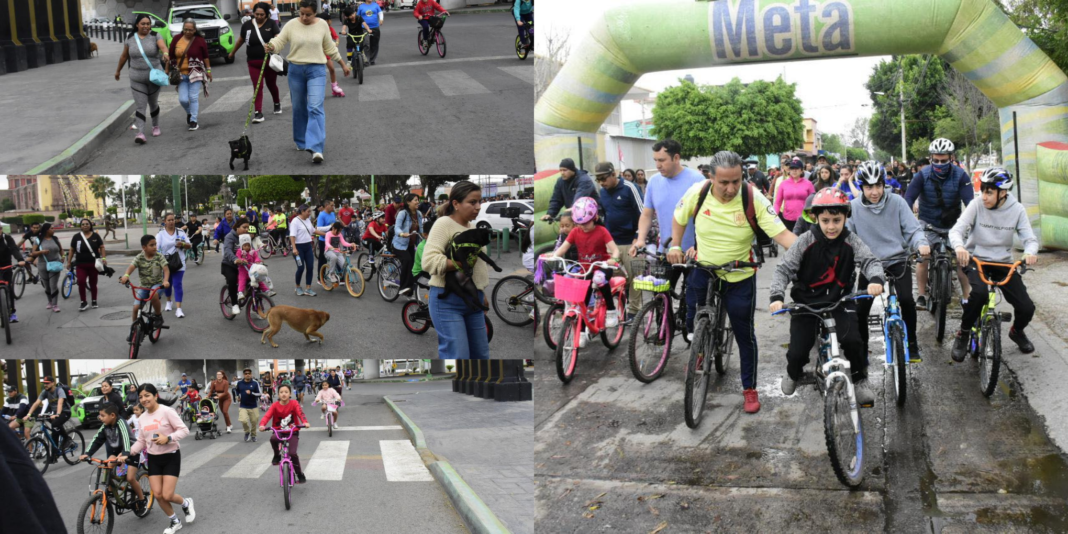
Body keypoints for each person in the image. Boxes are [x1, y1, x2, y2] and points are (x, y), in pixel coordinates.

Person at [670, 151, 797, 414]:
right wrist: (674, 245)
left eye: (736, 182)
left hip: (740, 274)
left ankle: (749, 388)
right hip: (704, 267)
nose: (730, 189)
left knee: (744, 334)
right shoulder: (698, 192)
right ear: (711, 177)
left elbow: (782, 234)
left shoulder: (753, 197)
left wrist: (809, 254)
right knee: (692, 314)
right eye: (724, 183)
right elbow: (679, 218)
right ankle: (700, 347)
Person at [769, 188, 883, 408]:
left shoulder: (852, 241)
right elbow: (783, 269)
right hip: (806, 303)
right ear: (816, 218)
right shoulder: (804, 240)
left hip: (840, 300)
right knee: (797, 351)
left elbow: (870, 260)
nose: (832, 226)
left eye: (837, 220)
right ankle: (793, 373)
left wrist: (875, 279)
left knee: (853, 341)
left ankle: (860, 380)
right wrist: (776, 296)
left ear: (845, 218)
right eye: (826, 220)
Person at [949, 168, 1039, 360]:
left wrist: (1030, 253)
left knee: (1026, 307)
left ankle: (1017, 331)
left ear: (1003, 193)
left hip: (1003, 263)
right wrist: (960, 248)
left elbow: (1030, 239)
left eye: (989, 192)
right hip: (975, 260)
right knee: (980, 293)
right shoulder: (976, 205)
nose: (984, 196)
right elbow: (956, 231)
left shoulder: (1017, 210)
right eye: (982, 190)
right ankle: (963, 333)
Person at [847, 161, 930, 361]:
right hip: (869, 263)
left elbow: (913, 229)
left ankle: (912, 342)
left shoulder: (897, 202)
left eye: (878, 185)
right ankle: (862, 350)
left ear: (884, 184)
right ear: (861, 187)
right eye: (869, 187)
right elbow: (848, 236)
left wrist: (921, 244)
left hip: (897, 259)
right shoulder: (853, 207)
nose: (874, 191)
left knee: (907, 301)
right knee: (861, 309)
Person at [264, 0, 350, 165]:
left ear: (315, 13)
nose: (303, 17)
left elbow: (330, 48)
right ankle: (301, 140)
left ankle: (317, 148)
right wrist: (271, 46)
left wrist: (343, 64)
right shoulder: (291, 25)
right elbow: (279, 41)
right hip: (295, 71)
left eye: (308, 14)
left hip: (316, 70)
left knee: (315, 107)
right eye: (301, 13)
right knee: (298, 107)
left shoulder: (322, 25)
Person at [422, 181, 492, 359]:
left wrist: (482, 292)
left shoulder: (472, 227)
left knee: (481, 355)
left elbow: (478, 266)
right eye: (472, 202)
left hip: (474, 300)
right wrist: (462, 263)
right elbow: (429, 261)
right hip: (447, 301)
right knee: (457, 355)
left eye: (479, 201)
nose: (478, 207)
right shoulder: (443, 224)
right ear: (456, 204)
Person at [905, 138, 974, 311]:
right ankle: (921, 295)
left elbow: (971, 204)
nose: (939, 164)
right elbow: (908, 199)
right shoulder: (922, 175)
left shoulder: (961, 175)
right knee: (923, 257)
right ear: (930, 158)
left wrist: (971, 223)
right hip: (928, 224)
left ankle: (967, 297)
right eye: (936, 160)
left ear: (951, 158)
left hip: (954, 226)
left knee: (962, 260)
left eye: (944, 161)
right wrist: (908, 221)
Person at [630, 139, 705, 297]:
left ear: (676, 158)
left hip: (694, 253)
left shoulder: (697, 180)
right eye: (655, 160)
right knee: (660, 300)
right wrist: (640, 239)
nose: (657, 165)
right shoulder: (654, 182)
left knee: (694, 301)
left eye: (662, 160)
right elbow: (647, 214)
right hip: (665, 251)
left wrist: (699, 245)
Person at [118, 383, 194, 534]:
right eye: (141, 397)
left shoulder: (167, 411)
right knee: (158, 494)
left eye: (147, 395)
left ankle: (186, 503)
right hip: (153, 458)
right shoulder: (142, 418)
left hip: (171, 456)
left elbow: (184, 430)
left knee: (167, 495)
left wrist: (168, 438)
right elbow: (141, 441)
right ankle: (175, 521)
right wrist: (127, 453)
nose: (144, 399)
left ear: (155, 396)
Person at [551, 196, 622, 328]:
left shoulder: (602, 231)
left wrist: (614, 259)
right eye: (579, 223)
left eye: (585, 223)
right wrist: (554, 256)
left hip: (603, 267)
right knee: (582, 300)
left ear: (594, 218)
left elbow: (615, 250)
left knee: (599, 277)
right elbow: (564, 247)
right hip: (586, 270)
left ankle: (611, 310)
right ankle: (582, 331)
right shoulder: (575, 232)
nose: (582, 226)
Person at [595, 161, 644, 322]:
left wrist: (638, 238)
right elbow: (603, 213)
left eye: (603, 178)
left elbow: (643, 213)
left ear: (613, 175)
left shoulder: (630, 188)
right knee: (615, 278)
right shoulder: (603, 192)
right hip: (612, 244)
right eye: (598, 180)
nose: (601, 183)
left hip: (631, 241)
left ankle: (634, 311)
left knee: (635, 277)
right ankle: (618, 308)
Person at [79, 404, 147, 513]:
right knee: (107, 466)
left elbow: (126, 438)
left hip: (131, 451)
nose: (100, 418)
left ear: (112, 415)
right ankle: (111, 492)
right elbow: (97, 439)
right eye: (99, 416)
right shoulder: (105, 426)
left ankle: (141, 499)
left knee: (130, 478)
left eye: (102, 415)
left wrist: (125, 454)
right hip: (116, 453)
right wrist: (87, 453)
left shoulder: (121, 423)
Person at [115, 14, 168, 144]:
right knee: (140, 106)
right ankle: (140, 133)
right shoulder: (130, 38)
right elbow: (124, 56)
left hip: (154, 77)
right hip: (136, 78)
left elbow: (163, 47)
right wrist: (118, 71)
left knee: (153, 103)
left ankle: (155, 126)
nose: (146, 26)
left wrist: (165, 53)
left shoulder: (155, 35)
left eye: (148, 24)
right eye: (143, 24)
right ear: (137, 24)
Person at [230, 2, 283, 123]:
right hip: (253, 62)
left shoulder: (271, 24)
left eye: (261, 14)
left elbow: (278, 38)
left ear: (267, 14)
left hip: (269, 61)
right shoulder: (247, 25)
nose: (258, 16)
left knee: (271, 84)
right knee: (257, 86)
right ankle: (258, 112)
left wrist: (273, 45)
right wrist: (232, 53)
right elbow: (240, 40)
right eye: (256, 14)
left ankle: (277, 102)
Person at [119, 235, 170, 340]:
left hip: (157, 285)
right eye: (152, 245)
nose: (155, 247)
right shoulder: (140, 257)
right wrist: (126, 276)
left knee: (153, 295)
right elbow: (131, 267)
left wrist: (165, 281)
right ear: (144, 247)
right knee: (136, 308)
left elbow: (166, 270)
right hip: (144, 287)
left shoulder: (159, 256)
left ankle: (158, 315)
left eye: (155, 244)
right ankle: (134, 330)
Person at [257, 384, 309, 484]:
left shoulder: (294, 403)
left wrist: (305, 422)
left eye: (286, 392)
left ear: (290, 394)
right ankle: (277, 455)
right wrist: (262, 425)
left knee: (292, 454)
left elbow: (300, 413)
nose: (284, 394)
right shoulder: (274, 405)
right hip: (279, 431)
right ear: (278, 394)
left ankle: (299, 474)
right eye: (281, 392)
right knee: (273, 439)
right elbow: (267, 416)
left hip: (292, 431)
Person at [169, 19, 212, 131]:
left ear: (195, 30)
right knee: (183, 99)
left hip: (196, 73)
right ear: (183, 29)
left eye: (190, 30)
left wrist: (208, 71)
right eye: (185, 29)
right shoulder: (176, 39)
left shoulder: (200, 40)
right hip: (181, 75)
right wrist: (167, 70)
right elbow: (171, 56)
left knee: (193, 97)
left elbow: (206, 57)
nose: (187, 32)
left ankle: (193, 121)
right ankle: (189, 113)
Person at [24, 376, 73, 456]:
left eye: (47, 383)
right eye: (44, 383)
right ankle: (54, 455)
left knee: (55, 424)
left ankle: (67, 439)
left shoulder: (59, 390)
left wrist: (57, 414)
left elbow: (60, 403)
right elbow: (36, 403)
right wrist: (28, 414)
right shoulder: (45, 392)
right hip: (54, 413)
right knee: (54, 431)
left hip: (65, 412)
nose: (45, 385)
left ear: (53, 383)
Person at [66, 218, 107, 312]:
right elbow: (72, 249)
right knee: (81, 282)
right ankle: (83, 302)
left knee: (93, 283)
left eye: (87, 224)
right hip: (80, 264)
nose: (85, 225)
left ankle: (94, 300)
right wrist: (69, 262)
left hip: (93, 264)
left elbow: (102, 247)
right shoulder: (76, 237)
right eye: (83, 224)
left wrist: (104, 258)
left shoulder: (96, 236)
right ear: (80, 226)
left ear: (90, 225)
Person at [156, 213, 190, 318]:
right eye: (169, 220)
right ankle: (169, 301)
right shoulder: (160, 234)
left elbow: (189, 245)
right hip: (166, 263)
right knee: (167, 283)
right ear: (165, 222)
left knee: (177, 284)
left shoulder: (180, 232)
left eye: (173, 220)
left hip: (179, 263)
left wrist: (183, 244)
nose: (171, 222)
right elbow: (157, 249)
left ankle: (179, 309)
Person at [290, 204, 329, 295]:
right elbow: (292, 235)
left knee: (310, 267)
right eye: (308, 211)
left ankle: (308, 288)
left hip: (308, 246)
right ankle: (298, 287)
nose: (309, 213)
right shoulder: (295, 221)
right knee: (301, 268)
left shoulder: (307, 220)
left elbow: (313, 231)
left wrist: (326, 234)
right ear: (302, 211)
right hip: (298, 247)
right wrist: (294, 248)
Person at [27, 223, 63, 312]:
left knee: (53, 285)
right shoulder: (38, 240)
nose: (53, 229)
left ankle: (55, 304)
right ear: (47, 230)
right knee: (47, 286)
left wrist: (63, 257)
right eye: (51, 228)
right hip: (42, 265)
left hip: (55, 264)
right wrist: (41, 252)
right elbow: (33, 253)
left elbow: (61, 249)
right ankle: (50, 302)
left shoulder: (55, 239)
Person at [394, 193, 425, 296]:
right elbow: (396, 228)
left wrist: (427, 237)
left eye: (418, 200)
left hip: (411, 245)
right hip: (399, 245)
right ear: (408, 202)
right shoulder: (403, 213)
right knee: (408, 261)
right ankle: (403, 287)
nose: (417, 202)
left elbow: (420, 230)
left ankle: (410, 288)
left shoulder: (419, 214)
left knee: (415, 263)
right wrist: (402, 234)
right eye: (415, 200)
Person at [773, 159, 815, 233]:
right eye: (792, 168)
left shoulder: (808, 184)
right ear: (789, 170)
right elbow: (777, 202)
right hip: (787, 218)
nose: (794, 171)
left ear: (801, 170)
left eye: (797, 168)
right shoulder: (783, 184)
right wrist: (774, 215)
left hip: (804, 219)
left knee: (804, 242)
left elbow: (814, 201)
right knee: (790, 242)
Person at [221, 217, 251, 315]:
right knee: (232, 280)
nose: (246, 230)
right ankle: (234, 304)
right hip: (229, 265)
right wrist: (235, 259)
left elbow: (251, 250)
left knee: (254, 280)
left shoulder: (247, 237)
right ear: (237, 227)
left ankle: (255, 305)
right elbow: (228, 251)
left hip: (243, 265)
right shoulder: (230, 237)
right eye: (244, 227)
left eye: (248, 228)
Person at [0, 225, 27, 323]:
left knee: (9, 289)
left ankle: (12, 313)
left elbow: (14, 249)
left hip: (7, 266)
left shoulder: (7, 238)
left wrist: (20, 259)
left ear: (1, 229)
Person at [236, 234, 273, 298]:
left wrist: (257, 261)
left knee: (259, 280)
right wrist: (242, 260)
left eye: (248, 245)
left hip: (252, 270)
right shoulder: (239, 251)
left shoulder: (252, 251)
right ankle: (240, 293)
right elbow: (237, 258)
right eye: (245, 245)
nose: (247, 247)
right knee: (242, 280)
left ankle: (267, 291)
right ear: (241, 245)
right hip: (243, 270)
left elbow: (256, 257)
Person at [323, 222, 357, 286]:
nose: (339, 232)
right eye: (339, 230)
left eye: (340, 231)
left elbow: (344, 243)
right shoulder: (328, 234)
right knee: (333, 257)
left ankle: (345, 281)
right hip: (329, 251)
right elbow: (327, 242)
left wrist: (351, 244)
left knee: (344, 266)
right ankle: (331, 274)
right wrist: (330, 247)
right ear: (334, 228)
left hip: (338, 252)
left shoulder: (339, 234)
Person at [236, 368, 263, 442]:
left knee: (254, 422)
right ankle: (247, 432)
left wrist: (251, 393)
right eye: (246, 373)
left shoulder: (255, 383)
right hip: (243, 406)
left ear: (251, 374)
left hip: (253, 406)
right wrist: (237, 396)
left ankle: (253, 435)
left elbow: (260, 394)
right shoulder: (239, 383)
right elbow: (237, 391)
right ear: (243, 375)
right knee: (243, 420)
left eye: (249, 373)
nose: (247, 375)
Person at [316, 200, 337, 285]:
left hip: (334, 239)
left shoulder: (332, 214)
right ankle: (320, 277)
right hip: (324, 240)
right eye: (332, 205)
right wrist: (330, 226)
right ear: (326, 205)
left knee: (337, 256)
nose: (333, 207)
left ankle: (338, 276)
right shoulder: (321, 215)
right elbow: (319, 228)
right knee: (323, 259)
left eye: (333, 205)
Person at [357, 0, 383, 65]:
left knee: (374, 44)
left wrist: (381, 19)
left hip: (375, 27)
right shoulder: (361, 6)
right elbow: (358, 16)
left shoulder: (375, 5)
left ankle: (372, 59)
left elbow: (380, 12)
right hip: (364, 28)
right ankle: (366, 60)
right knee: (366, 43)